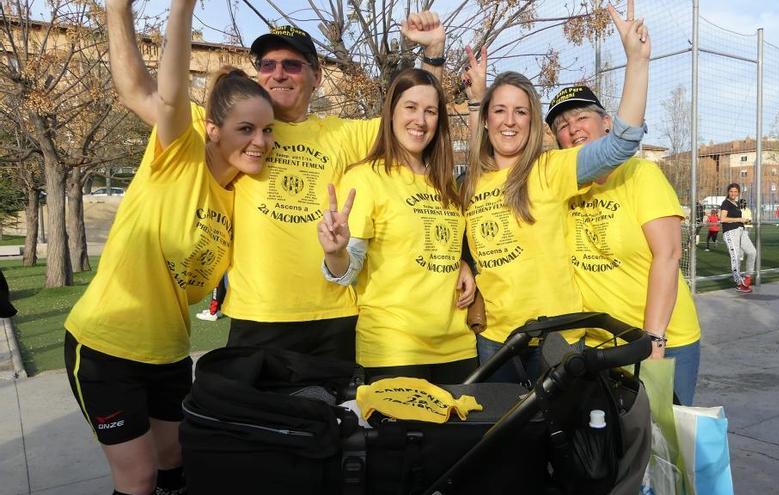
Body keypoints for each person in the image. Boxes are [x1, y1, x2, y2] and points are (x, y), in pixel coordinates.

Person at [108, 1, 447, 360]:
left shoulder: (345, 135)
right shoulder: (226, 127)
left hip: (332, 319)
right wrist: (116, 10)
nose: (278, 73)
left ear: (316, 76)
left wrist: (433, 54)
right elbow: (136, 92)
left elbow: (415, 117)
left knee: (327, 416)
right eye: (267, 65)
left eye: (292, 65)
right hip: (256, 319)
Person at [65, 2, 275, 494]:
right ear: (213, 129)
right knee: (136, 479)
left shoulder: (239, 196)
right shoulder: (179, 153)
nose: (261, 141)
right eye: (247, 129)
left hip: (170, 353)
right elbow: (167, 86)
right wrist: (182, 8)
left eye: (267, 130)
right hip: (106, 347)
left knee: (177, 461)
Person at [460, 0, 649, 382]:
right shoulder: (470, 182)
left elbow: (620, 145)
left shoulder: (549, 169)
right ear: (486, 118)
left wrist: (637, 62)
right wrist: (464, 263)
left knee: (560, 441)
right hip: (496, 342)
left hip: (556, 342)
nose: (509, 122)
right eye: (499, 111)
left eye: (521, 112)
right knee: (505, 441)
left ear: (533, 123)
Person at [543, 82, 702, 405]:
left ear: (606, 123)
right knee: (611, 444)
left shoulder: (640, 174)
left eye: (581, 117)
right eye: (562, 125)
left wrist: (653, 340)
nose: (573, 129)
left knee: (662, 446)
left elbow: (668, 255)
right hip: (598, 345)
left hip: (658, 340)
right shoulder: (562, 186)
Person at [318, 69, 478, 383]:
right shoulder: (365, 178)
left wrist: (461, 263)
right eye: (411, 107)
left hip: (457, 348)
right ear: (391, 112)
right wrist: (335, 253)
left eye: (430, 111)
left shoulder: (444, 184)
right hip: (393, 351)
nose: (420, 119)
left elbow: (435, 244)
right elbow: (347, 273)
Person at [719, 184, 755, 293]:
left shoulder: (736, 204)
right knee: (736, 256)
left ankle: (748, 277)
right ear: (728, 192)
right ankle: (740, 283)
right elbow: (722, 219)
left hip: (741, 231)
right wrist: (739, 218)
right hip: (730, 232)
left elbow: (736, 217)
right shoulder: (725, 203)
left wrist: (744, 220)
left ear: (738, 192)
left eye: (735, 192)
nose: (733, 193)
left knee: (752, 252)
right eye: (731, 191)